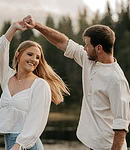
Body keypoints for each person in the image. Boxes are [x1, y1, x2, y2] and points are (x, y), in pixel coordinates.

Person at [22, 15, 130, 150]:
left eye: (87, 45)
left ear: (99, 48)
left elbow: (121, 127)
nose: (84, 48)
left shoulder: (117, 80)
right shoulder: (89, 61)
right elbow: (63, 42)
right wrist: (37, 25)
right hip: (92, 145)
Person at [0, 19, 69, 150]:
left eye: (38, 57)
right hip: (10, 140)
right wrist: (13, 28)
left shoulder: (40, 85)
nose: (34, 60)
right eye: (30, 54)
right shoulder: (7, 77)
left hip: (26, 145)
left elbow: (36, 120)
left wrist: (18, 145)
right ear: (18, 55)